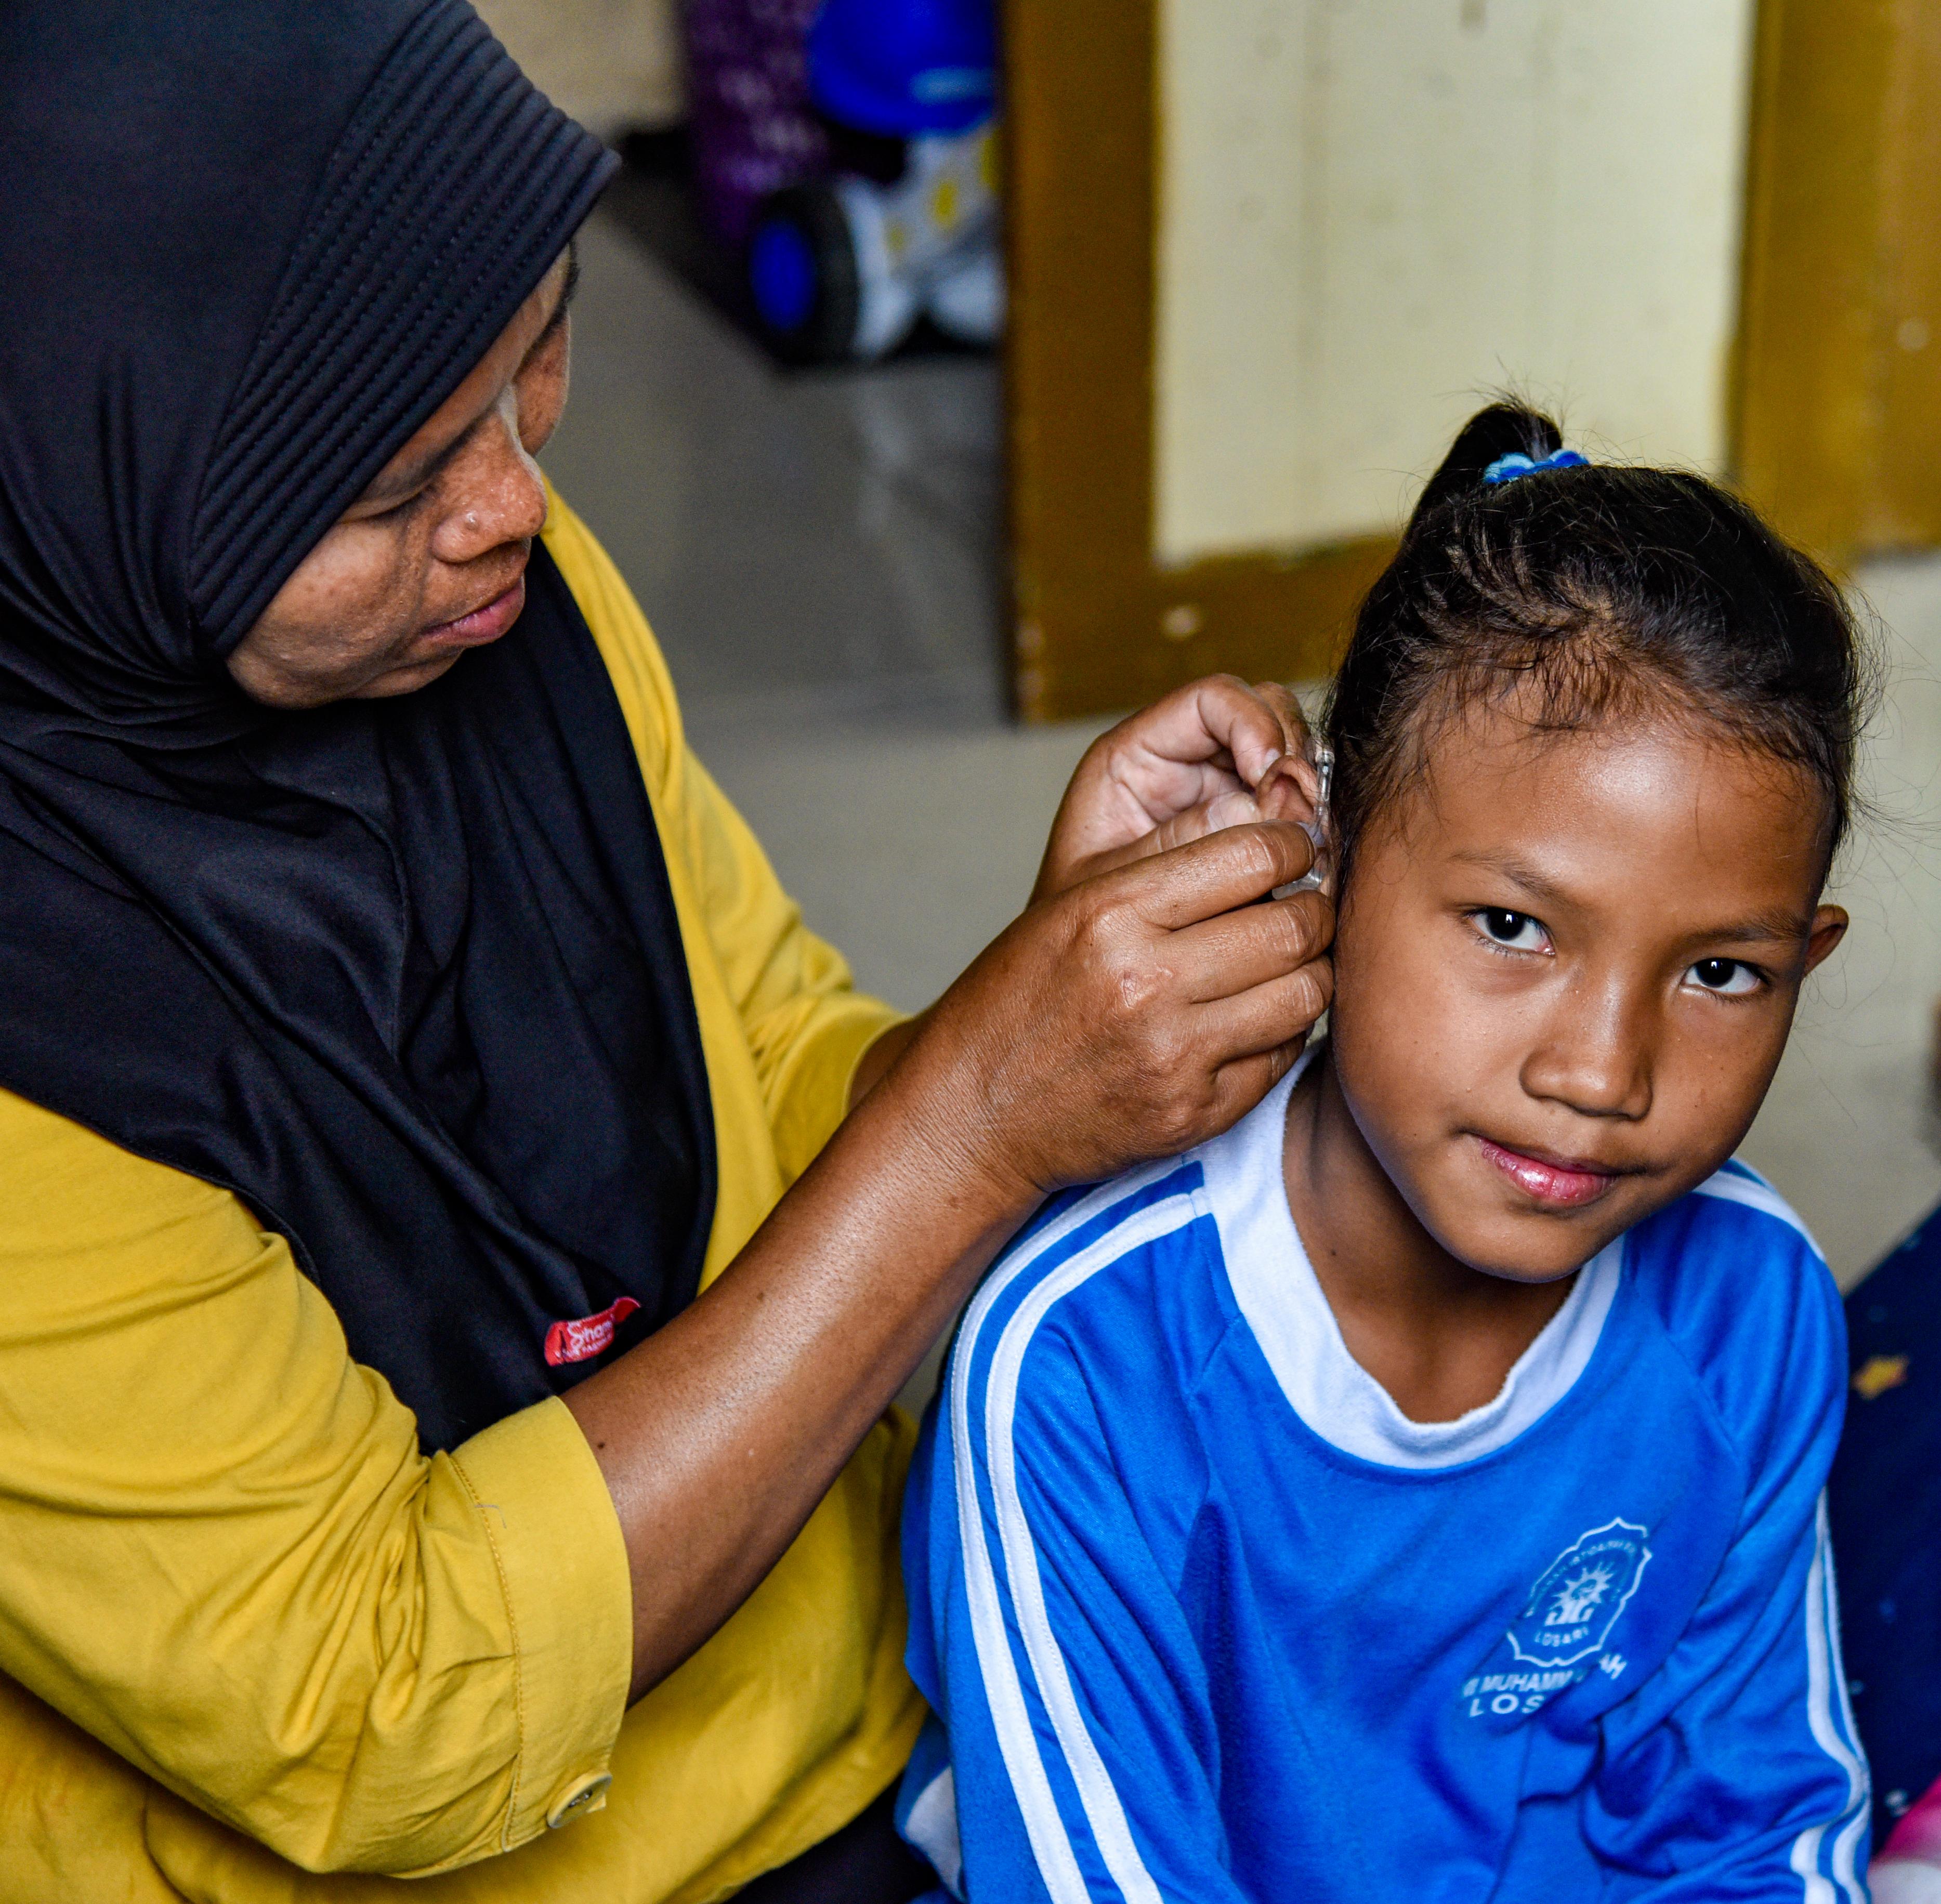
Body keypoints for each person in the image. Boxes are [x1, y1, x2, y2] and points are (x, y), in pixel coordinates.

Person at [0, 5, 1336, 1900]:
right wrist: (972, 1129)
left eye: (536, 347)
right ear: (94, 490)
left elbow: (760, 1039)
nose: (511, 507)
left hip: (841, 1721)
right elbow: (389, 1704)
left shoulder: (494, 609)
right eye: (384, 492)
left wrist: (1045, 1008)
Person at [898, 404, 1877, 1901]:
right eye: (1512, 927)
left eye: (1722, 974)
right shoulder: (1087, 1354)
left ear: (1807, 961)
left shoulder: (1750, 1303)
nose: (1601, 1074)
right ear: (1331, 862)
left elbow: (1749, 1831)